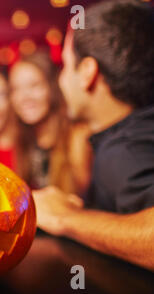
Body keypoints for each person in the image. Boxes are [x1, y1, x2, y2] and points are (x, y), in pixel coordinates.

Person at [34, 0, 154, 271]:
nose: (62, 80)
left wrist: (66, 217)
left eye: (66, 66)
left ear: (88, 72)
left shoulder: (125, 151)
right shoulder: (132, 133)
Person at [9, 51, 91, 195]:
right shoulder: (25, 140)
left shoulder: (76, 137)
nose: (24, 97)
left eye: (34, 86)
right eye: (16, 89)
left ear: (51, 88)